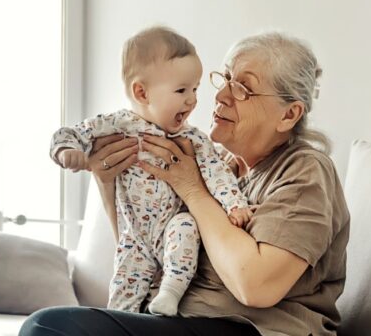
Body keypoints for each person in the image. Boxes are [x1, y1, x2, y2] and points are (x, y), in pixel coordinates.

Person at [22, 32, 350, 336]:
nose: (220, 95)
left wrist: (191, 189)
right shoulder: (217, 163)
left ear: (289, 115)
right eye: (225, 79)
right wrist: (106, 181)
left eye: (243, 88)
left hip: (252, 329)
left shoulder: (305, 170)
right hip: (178, 319)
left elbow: (256, 286)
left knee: (50, 328)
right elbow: (147, 246)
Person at [48, 26, 252, 316]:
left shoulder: (191, 139)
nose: (192, 100)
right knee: (120, 302)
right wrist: (68, 152)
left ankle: (170, 292)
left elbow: (217, 172)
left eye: (195, 89)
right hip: (135, 238)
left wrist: (234, 203)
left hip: (173, 228)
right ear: (141, 92)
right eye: (181, 90)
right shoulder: (118, 125)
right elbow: (70, 132)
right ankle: (119, 321)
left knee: (186, 227)